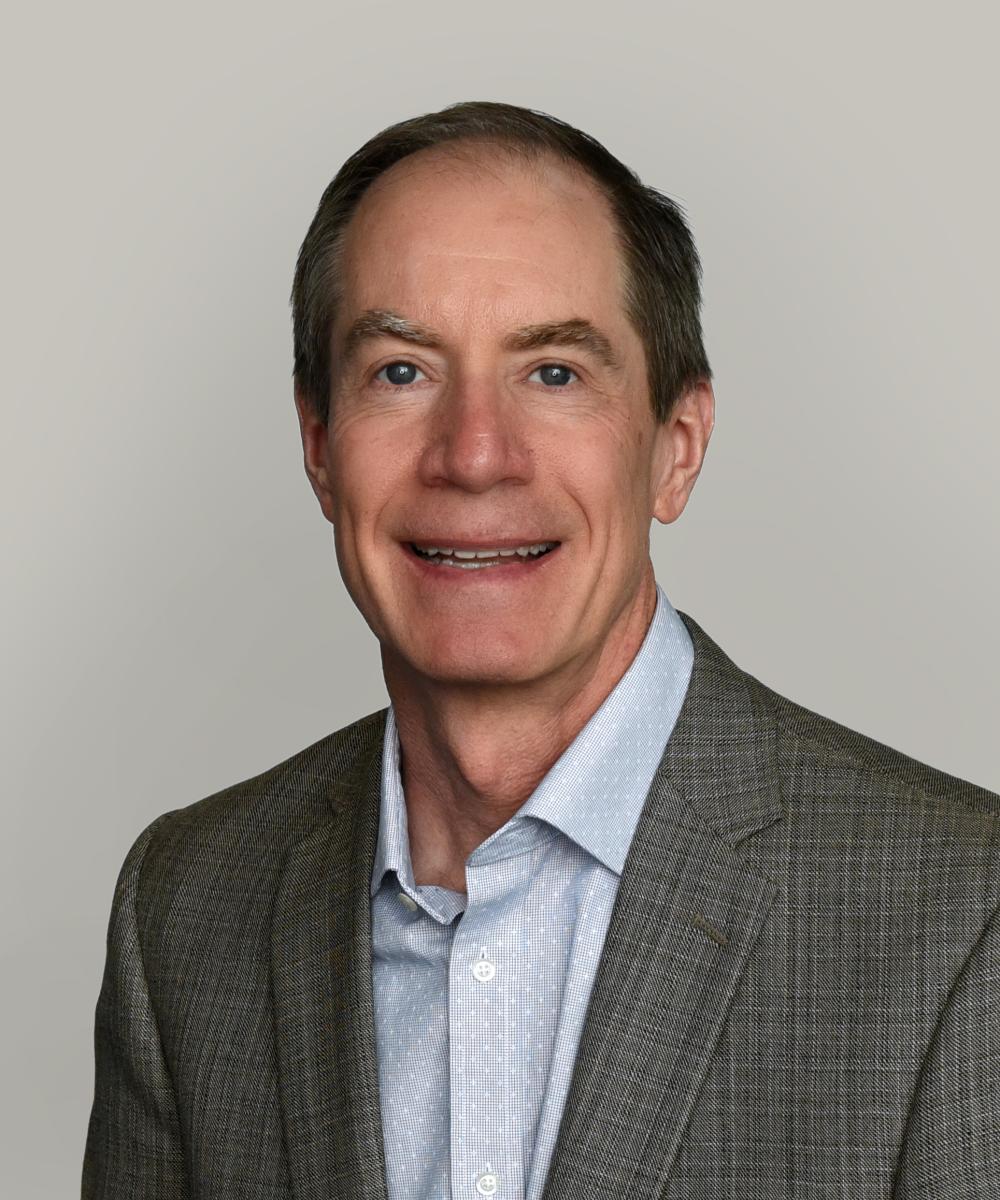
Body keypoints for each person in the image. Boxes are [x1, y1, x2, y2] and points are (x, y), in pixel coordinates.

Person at [82, 100, 1000, 1199]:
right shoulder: (187, 910)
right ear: (320, 450)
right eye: (401, 372)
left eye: (554, 371)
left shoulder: (959, 919)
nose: (474, 456)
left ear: (676, 446)